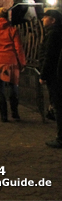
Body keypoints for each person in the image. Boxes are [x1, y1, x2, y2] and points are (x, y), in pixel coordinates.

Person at [39, 9, 62, 148]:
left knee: (58, 106)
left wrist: (44, 75)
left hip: (56, 76)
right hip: (57, 74)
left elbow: (49, 57)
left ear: (53, 20)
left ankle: (60, 138)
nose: (42, 20)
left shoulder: (53, 34)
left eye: (45, 17)